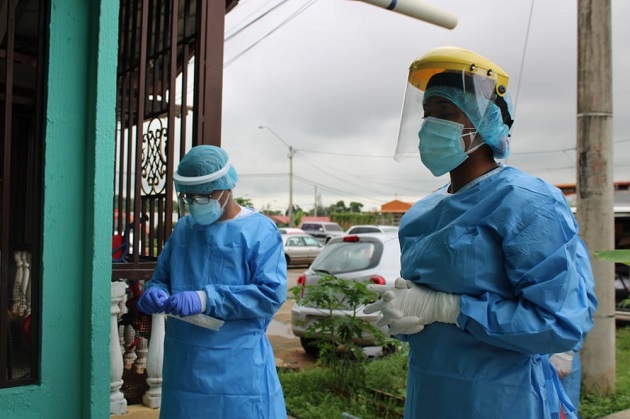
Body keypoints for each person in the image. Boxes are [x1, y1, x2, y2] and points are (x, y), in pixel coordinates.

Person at [364, 46, 597, 419]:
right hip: (430, 391)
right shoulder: (421, 215)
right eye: (426, 114)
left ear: (483, 121)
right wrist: (406, 314)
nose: (429, 126)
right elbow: (427, 316)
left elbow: (559, 324)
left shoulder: (528, 203)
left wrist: (451, 309)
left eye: (444, 113)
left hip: (502, 397)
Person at [136, 145, 288, 418]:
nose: (195, 203)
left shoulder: (259, 231)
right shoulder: (184, 230)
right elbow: (163, 278)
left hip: (238, 368)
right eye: (189, 197)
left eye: (203, 195)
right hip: (184, 365)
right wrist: (155, 291)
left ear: (225, 188)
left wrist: (205, 299)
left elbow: (269, 295)